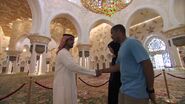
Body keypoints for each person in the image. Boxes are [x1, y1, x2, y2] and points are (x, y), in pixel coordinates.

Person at [99, 24, 156, 104]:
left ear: (119, 32)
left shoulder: (132, 43)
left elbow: (147, 64)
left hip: (136, 93)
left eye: (112, 33)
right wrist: (101, 71)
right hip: (124, 90)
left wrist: (150, 89)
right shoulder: (122, 48)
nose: (111, 36)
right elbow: (117, 67)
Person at [53, 34, 98, 104]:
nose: (73, 42)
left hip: (67, 82)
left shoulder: (66, 53)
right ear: (65, 41)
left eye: (73, 40)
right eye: (71, 40)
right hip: (62, 83)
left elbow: (73, 66)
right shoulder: (63, 53)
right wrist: (93, 72)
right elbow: (72, 66)